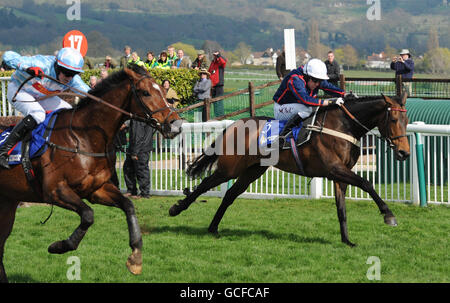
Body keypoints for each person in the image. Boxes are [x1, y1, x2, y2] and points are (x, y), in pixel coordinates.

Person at [0, 47, 90, 169]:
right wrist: (27, 68)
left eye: (73, 74)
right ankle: (3, 151)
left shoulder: (73, 80)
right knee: (38, 114)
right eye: (67, 73)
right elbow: (8, 56)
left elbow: (90, 93)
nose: (69, 78)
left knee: (68, 113)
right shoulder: (41, 63)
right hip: (19, 89)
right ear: (58, 67)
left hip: (43, 96)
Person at [273, 58, 346, 143]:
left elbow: (329, 87)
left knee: (315, 108)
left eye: (320, 81)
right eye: (315, 81)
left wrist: (344, 94)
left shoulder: (314, 78)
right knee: (308, 109)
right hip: (281, 109)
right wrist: (330, 102)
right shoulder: (295, 79)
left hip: (296, 107)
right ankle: (284, 133)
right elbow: (306, 100)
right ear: (307, 76)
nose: (317, 84)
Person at [123, 119, 153, 199]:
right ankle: (131, 191)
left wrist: (134, 153)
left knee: (141, 171)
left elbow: (138, 136)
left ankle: (144, 194)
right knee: (128, 168)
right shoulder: (141, 117)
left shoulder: (139, 119)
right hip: (138, 147)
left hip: (140, 149)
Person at [208, 51, 227, 117]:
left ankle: (221, 116)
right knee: (215, 102)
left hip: (219, 85)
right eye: (214, 55)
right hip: (212, 85)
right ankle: (217, 116)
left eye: (216, 55)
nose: (215, 56)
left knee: (219, 102)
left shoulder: (220, 63)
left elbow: (224, 62)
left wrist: (219, 55)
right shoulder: (212, 62)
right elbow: (209, 71)